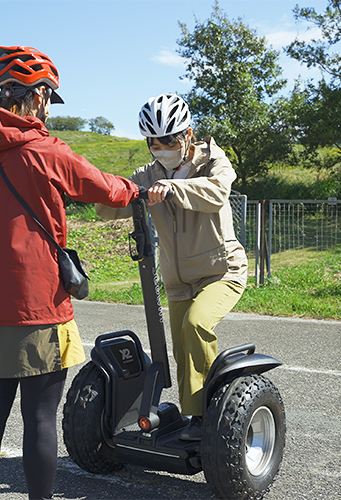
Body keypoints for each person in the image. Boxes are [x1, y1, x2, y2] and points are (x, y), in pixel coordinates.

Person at [0, 46, 139, 500]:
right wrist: (139, 190)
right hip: (37, 304)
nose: (49, 107)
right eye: (49, 96)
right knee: (39, 417)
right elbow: (103, 187)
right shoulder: (45, 150)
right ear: (33, 97)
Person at [96, 93, 248, 440]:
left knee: (196, 326)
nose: (160, 147)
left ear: (188, 135)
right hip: (179, 280)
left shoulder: (212, 161)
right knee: (181, 349)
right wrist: (104, 192)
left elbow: (218, 194)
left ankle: (207, 416)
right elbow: (110, 208)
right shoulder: (147, 175)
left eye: (168, 139)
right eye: (153, 141)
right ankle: (192, 415)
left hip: (221, 271)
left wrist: (173, 188)